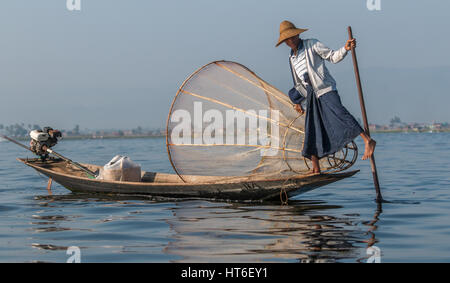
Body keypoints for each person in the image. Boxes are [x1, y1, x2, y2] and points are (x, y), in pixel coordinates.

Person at [276, 20, 376, 174]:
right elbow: (299, 82)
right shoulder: (292, 58)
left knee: (340, 114)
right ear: (285, 42)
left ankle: (367, 140)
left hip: (325, 89)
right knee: (312, 129)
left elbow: (333, 57)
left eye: (293, 36)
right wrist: (298, 102)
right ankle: (316, 168)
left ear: (298, 35)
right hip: (310, 96)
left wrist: (346, 48)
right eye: (288, 39)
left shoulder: (312, 44)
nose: (291, 40)